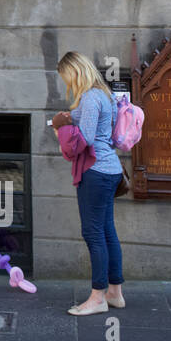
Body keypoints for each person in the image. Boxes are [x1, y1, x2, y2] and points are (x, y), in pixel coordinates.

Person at [53, 51, 125, 316]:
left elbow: (84, 140)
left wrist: (61, 127)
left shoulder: (91, 97)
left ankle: (97, 298)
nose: (67, 83)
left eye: (66, 77)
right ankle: (115, 293)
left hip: (95, 172)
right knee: (107, 231)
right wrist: (72, 118)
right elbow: (106, 133)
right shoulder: (106, 95)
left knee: (93, 233)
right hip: (111, 169)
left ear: (75, 71)